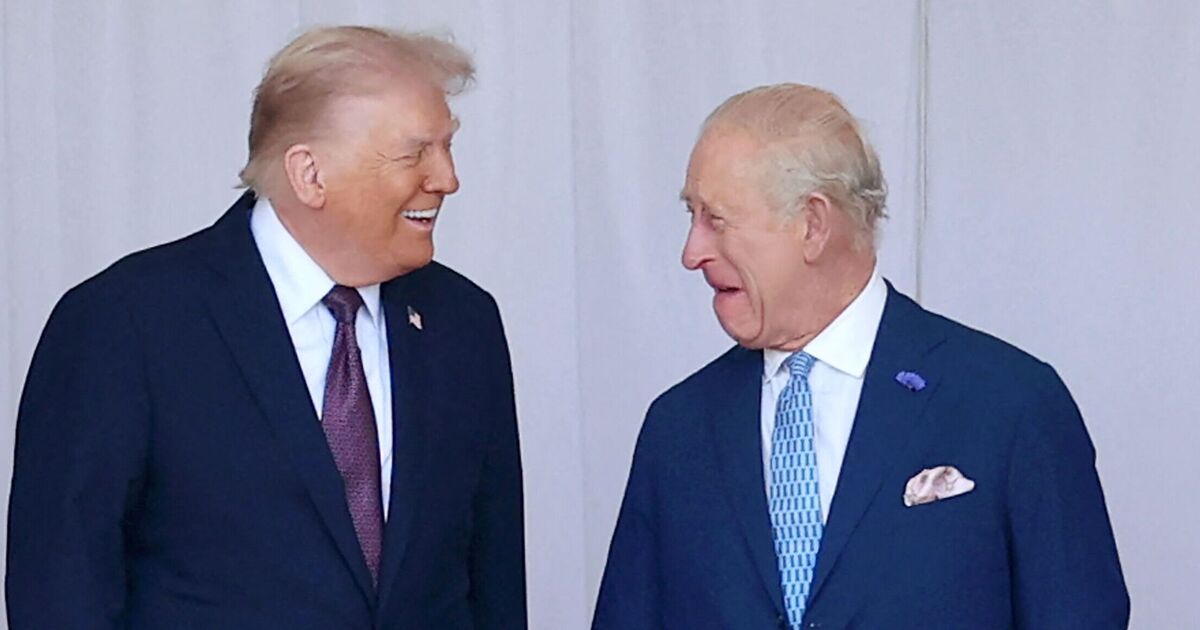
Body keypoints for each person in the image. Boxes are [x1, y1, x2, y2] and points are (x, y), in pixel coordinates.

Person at [7, 26, 526, 629]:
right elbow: (61, 587)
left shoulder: (464, 323)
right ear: (310, 174)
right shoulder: (127, 323)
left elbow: (493, 580)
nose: (446, 178)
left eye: (447, 147)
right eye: (415, 153)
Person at [593, 83, 1128, 629]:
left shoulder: (1009, 405)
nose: (692, 253)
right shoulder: (679, 429)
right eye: (693, 215)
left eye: (717, 220)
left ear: (812, 224)